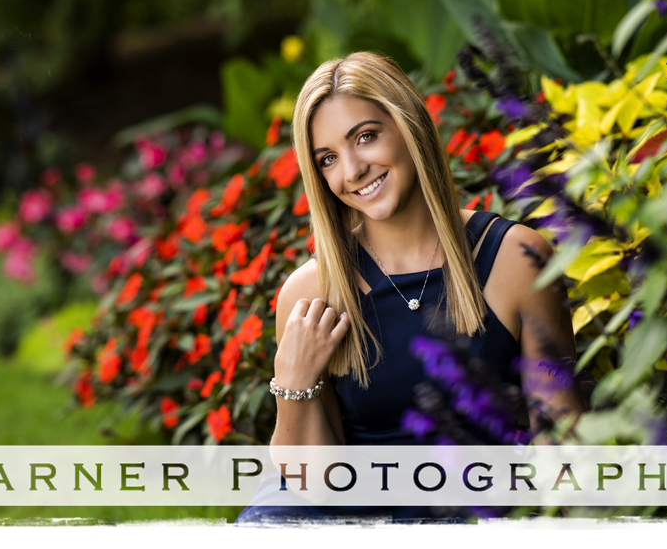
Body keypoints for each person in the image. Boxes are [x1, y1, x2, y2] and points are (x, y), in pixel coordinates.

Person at [236, 51, 585, 524]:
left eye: (365, 137)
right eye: (328, 158)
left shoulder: (514, 259)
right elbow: (313, 484)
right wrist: (292, 382)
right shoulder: (311, 295)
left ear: (409, 125)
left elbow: (561, 443)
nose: (353, 169)